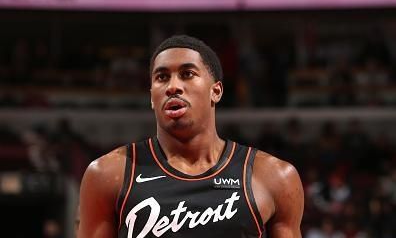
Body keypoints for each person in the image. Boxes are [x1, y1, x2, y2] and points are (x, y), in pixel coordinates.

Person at [77, 35, 304, 238]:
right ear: (151, 98)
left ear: (216, 91)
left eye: (187, 74)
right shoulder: (108, 174)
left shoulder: (274, 177)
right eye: (162, 77)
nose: (173, 86)